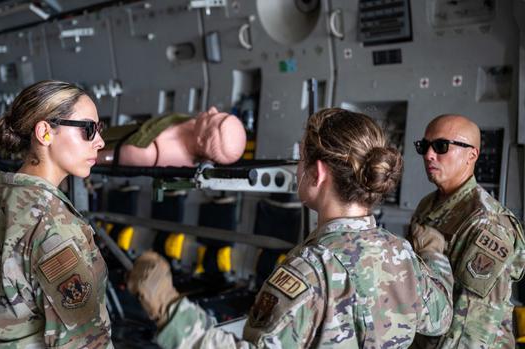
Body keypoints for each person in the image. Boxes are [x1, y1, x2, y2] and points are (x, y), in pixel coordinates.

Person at [128, 107, 455, 348]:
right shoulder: (402, 255)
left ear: (319, 172)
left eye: (300, 160)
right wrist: (434, 253)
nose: (297, 169)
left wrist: (169, 309)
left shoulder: (310, 271)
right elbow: (439, 316)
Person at [0, 80, 113, 348]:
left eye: (99, 129)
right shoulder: (54, 226)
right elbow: (84, 341)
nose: (100, 142)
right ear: (45, 132)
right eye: (89, 130)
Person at [409, 114, 525, 348]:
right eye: (424, 146)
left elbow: (469, 327)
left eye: (441, 146)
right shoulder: (429, 204)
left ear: (472, 155)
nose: (429, 155)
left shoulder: (488, 223)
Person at [96, 106, 247, 167]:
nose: (212, 109)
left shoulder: (149, 153)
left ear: (201, 141)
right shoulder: (192, 125)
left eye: (211, 118)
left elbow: (101, 158)